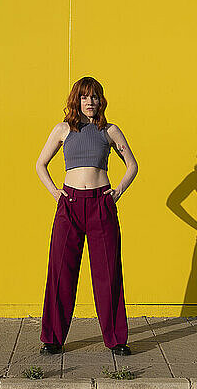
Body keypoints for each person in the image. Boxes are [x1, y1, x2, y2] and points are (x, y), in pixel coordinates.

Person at [35, 76, 138, 356]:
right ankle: (53, 338)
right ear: (76, 100)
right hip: (69, 206)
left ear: (100, 100)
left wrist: (116, 192)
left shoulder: (110, 131)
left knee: (108, 273)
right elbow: (40, 163)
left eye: (94, 97)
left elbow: (132, 165)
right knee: (60, 271)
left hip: (100, 206)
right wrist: (56, 192)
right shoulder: (63, 129)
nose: (89, 102)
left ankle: (117, 339)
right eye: (84, 97)